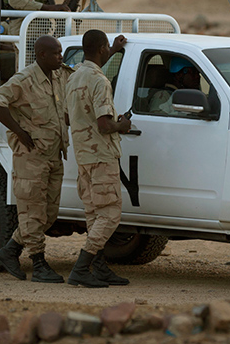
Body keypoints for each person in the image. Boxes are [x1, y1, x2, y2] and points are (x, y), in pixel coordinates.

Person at [0, 35, 71, 283]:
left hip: (54, 155)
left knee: (49, 214)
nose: (61, 57)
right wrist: (19, 131)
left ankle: (10, 251)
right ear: (42, 55)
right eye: (56, 53)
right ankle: (38, 262)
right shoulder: (24, 80)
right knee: (32, 211)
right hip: (31, 158)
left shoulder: (59, 75)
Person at [65, 29, 132, 288]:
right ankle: (81, 267)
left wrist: (114, 50)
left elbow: (69, 117)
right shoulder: (100, 81)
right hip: (102, 154)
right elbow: (105, 124)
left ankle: (99, 266)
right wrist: (122, 125)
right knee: (111, 213)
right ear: (102, 47)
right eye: (107, 48)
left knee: (93, 212)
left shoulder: (74, 77)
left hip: (83, 153)